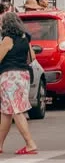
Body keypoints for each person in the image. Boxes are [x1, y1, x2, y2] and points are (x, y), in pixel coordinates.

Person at [0, 12, 38, 155]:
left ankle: (30, 144)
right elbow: (32, 57)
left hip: (9, 77)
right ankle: (0, 144)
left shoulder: (8, 39)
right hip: (23, 75)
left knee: (16, 110)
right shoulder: (25, 38)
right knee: (6, 113)